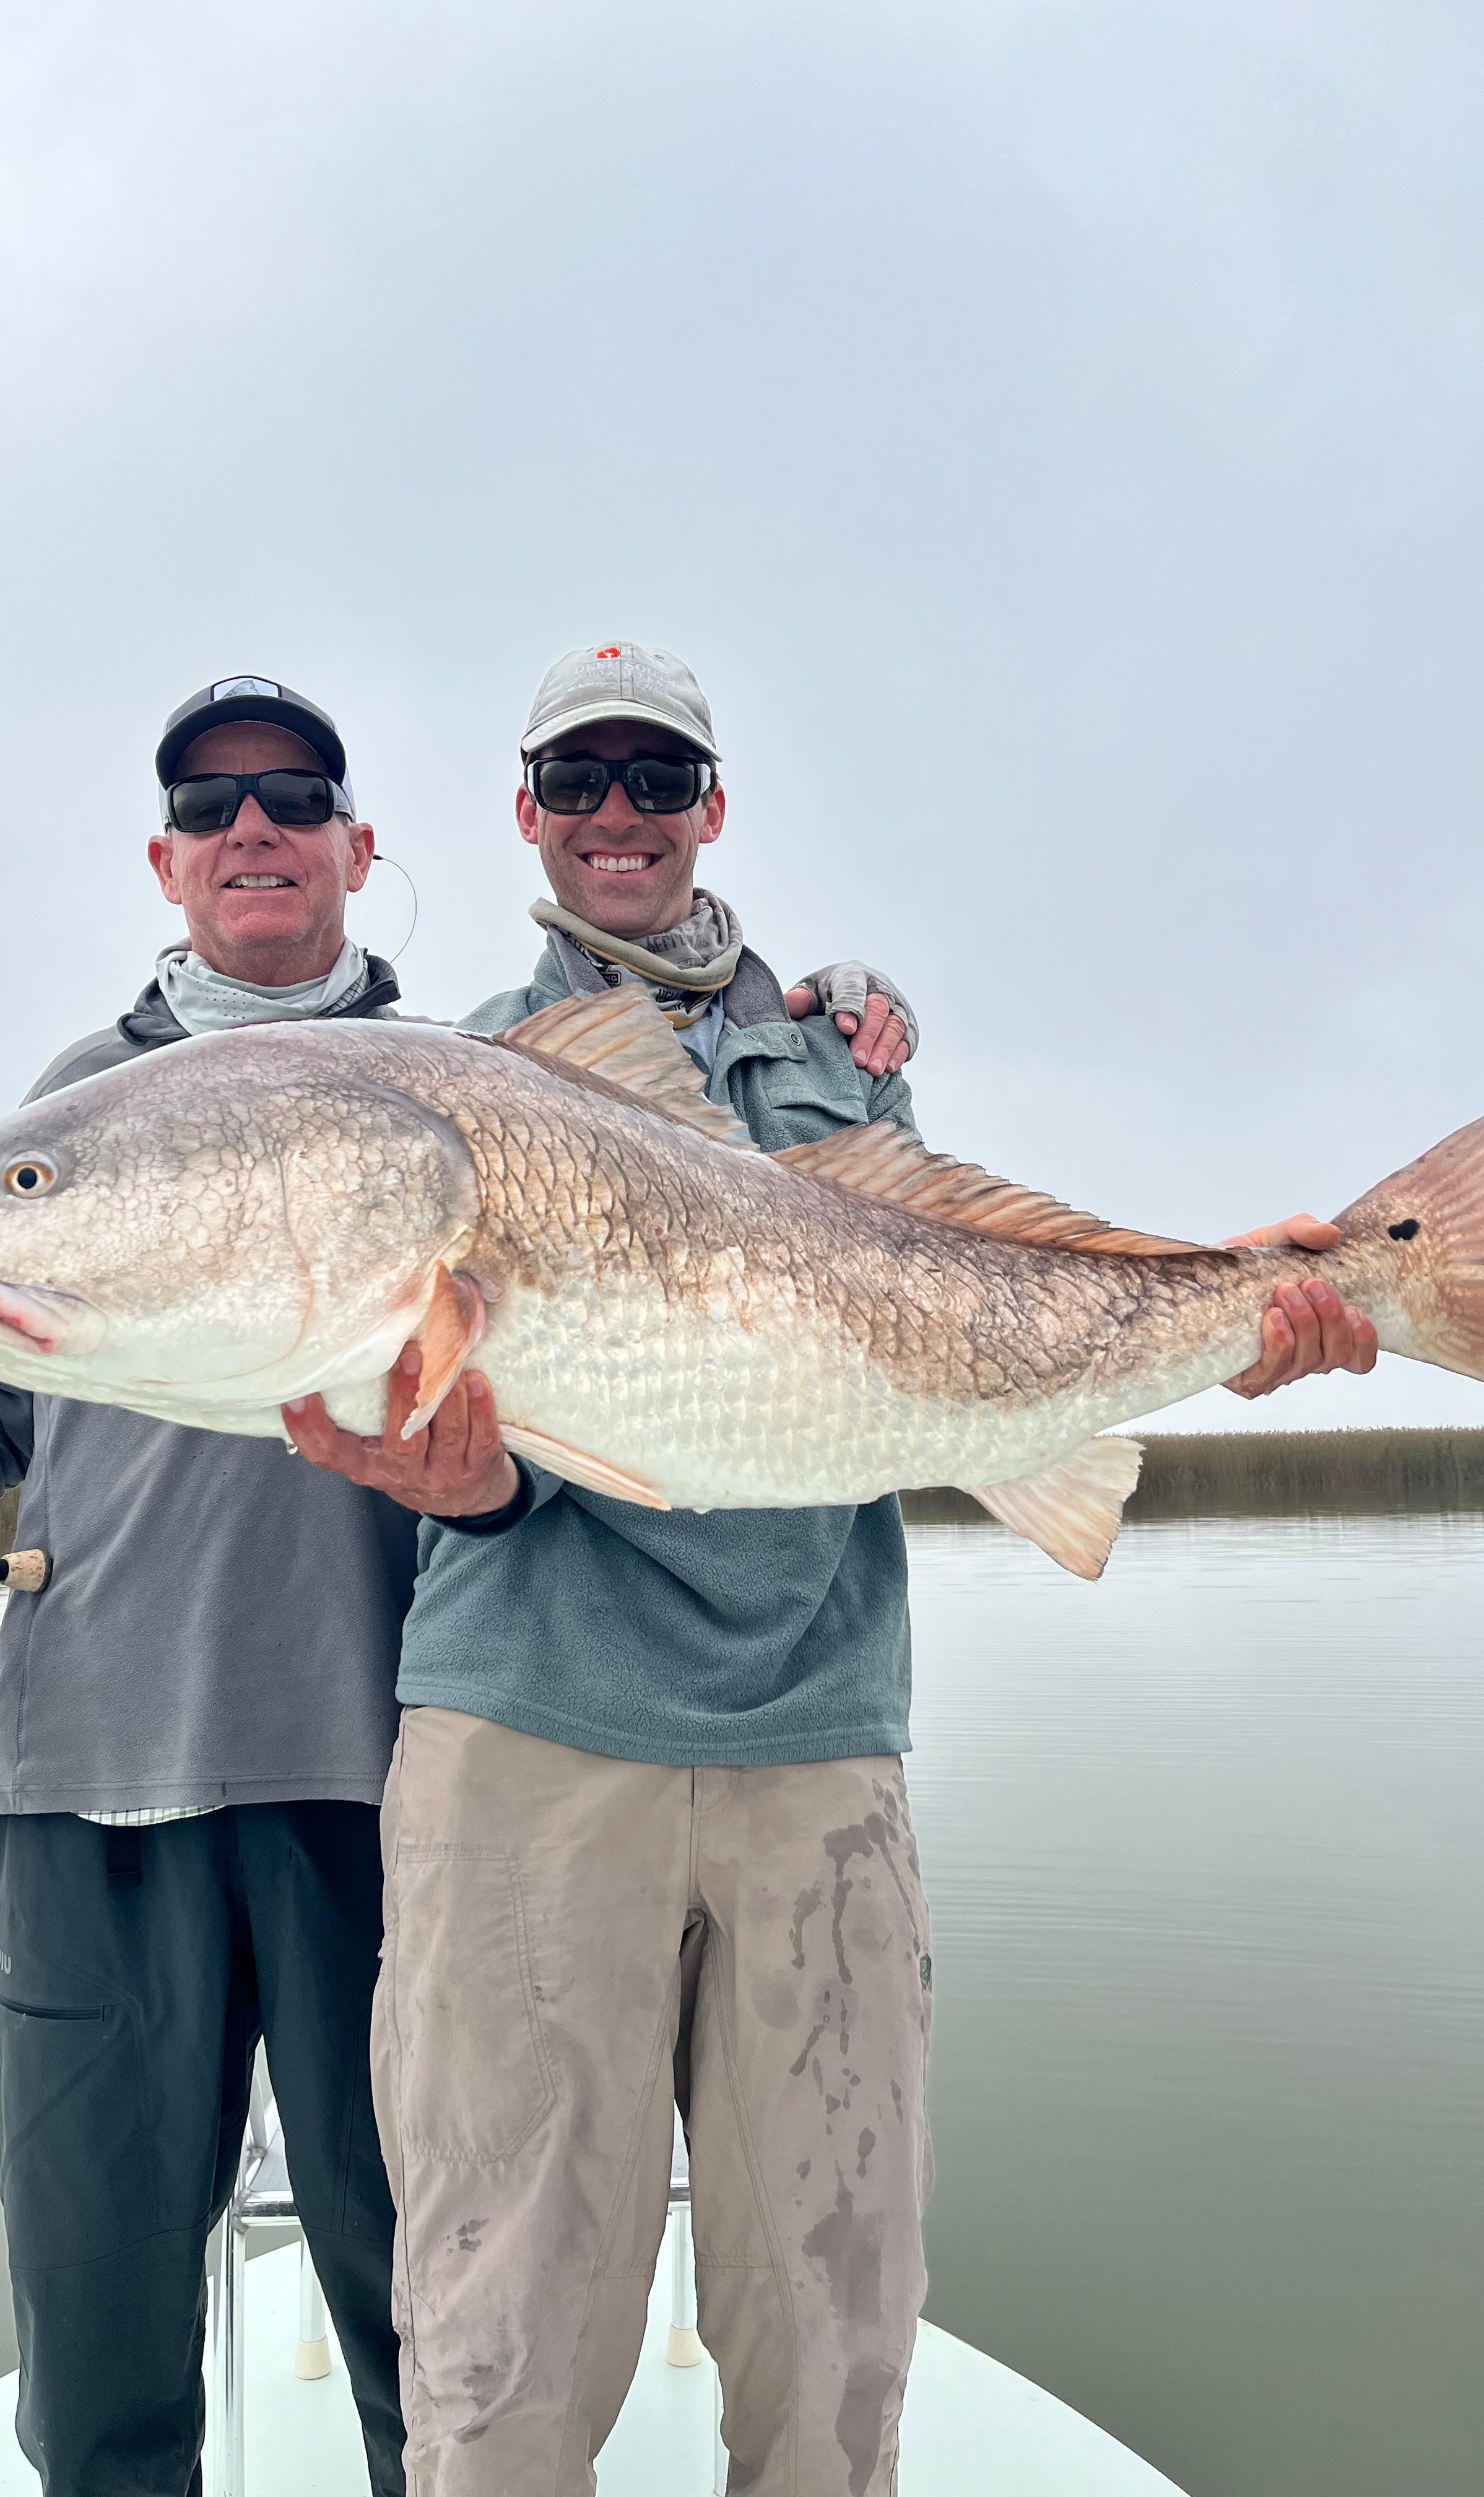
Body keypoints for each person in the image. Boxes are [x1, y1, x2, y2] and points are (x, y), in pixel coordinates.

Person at [0, 671, 917, 2497]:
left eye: (294, 798)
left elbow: (648, 1244)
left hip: (365, 1778)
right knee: (97, 2333)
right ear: (162, 860)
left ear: (363, 848)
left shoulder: (464, 1080)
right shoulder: (83, 1104)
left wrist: (812, 1009)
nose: (252, 831)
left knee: (422, 2320)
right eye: (208, 808)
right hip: (91, 1774)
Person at [287, 640, 1376, 2497]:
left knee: (836, 2330)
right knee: (501, 2336)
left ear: (713, 808)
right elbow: (436, 1423)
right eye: (579, 781)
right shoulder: (459, 1082)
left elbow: (960, 1316)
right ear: (525, 815)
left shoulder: (842, 1065)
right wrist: (457, 1492)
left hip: (821, 1740)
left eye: (656, 779)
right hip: (531, 1743)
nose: (618, 815)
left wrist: (1235, 1305)